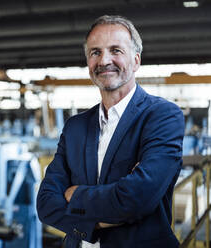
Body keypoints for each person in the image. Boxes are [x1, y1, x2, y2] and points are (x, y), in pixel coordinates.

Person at [36, 15, 184, 248]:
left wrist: (74, 195)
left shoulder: (162, 116)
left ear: (136, 61)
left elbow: (136, 198)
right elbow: (45, 204)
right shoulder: (76, 126)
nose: (104, 60)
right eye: (95, 52)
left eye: (115, 50)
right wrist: (102, 215)